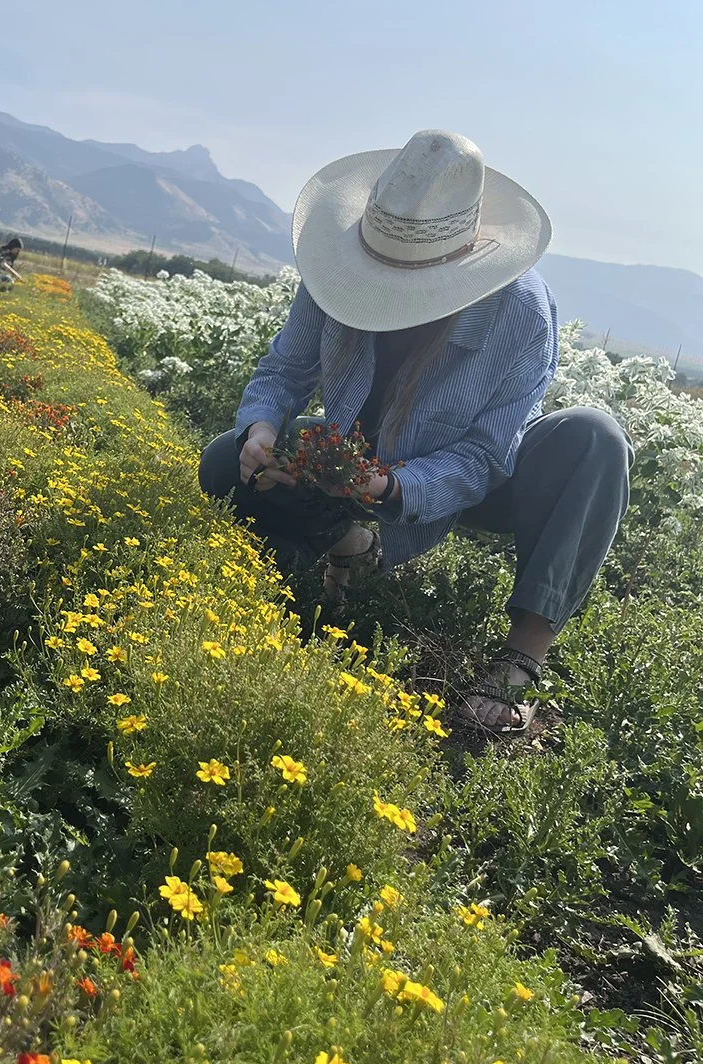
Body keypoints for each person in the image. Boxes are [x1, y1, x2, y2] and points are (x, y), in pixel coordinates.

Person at [199, 129, 633, 737]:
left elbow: (485, 455)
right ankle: (340, 548)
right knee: (224, 462)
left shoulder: (521, 311)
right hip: (351, 453)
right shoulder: (332, 270)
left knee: (595, 438)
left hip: (468, 478)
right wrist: (262, 430)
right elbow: (285, 370)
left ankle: (521, 657)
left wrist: (393, 487)